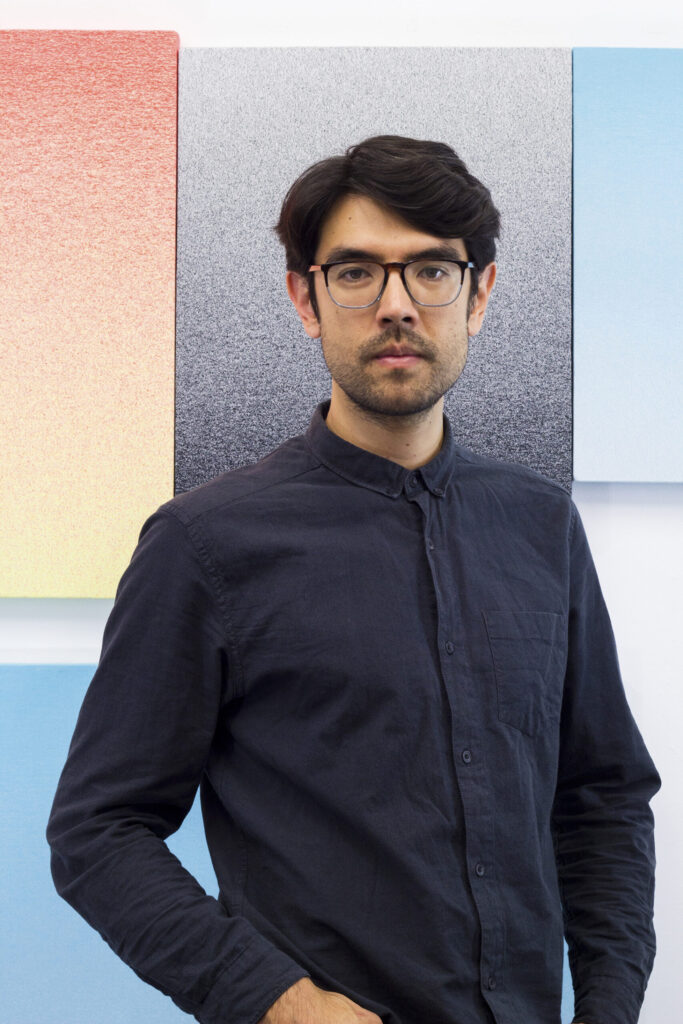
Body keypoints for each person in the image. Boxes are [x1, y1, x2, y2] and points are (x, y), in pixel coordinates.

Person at [47, 136, 660, 1024]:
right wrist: (283, 1004)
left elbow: (601, 797)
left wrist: (608, 1008)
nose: (396, 306)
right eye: (357, 273)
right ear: (306, 296)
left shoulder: (540, 522)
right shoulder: (204, 542)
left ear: (478, 294)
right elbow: (97, 833)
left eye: (430, 272)